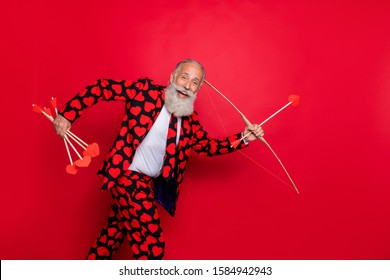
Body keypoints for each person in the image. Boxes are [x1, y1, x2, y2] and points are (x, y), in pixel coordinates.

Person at [53, 59, 264, 260]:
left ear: (197, 90)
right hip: (126, 177)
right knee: (151, 245)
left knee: (111, 238)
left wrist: (244, 137)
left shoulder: (190, 121)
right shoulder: (144, 93)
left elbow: (208, 146)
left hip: (148, 184)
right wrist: (68, 114)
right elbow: (103, 88)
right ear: (173, 77)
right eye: (184, 77)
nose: (187, 85)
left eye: (194, 82)